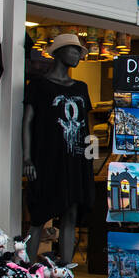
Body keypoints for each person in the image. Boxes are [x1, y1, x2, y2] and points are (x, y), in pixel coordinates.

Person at [23, 31, 94, 263]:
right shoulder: (38, 85)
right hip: (47, 158)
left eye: (79, 52)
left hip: (76, 159)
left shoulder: (81, 87)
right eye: (73, 50)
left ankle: (65, 271)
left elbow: (87, 123)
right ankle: (27, 270)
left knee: (70, 214)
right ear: (60, 52)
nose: (77, 56)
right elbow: (27, 121)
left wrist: (90, 154)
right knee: (38, 215)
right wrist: (27, 158)